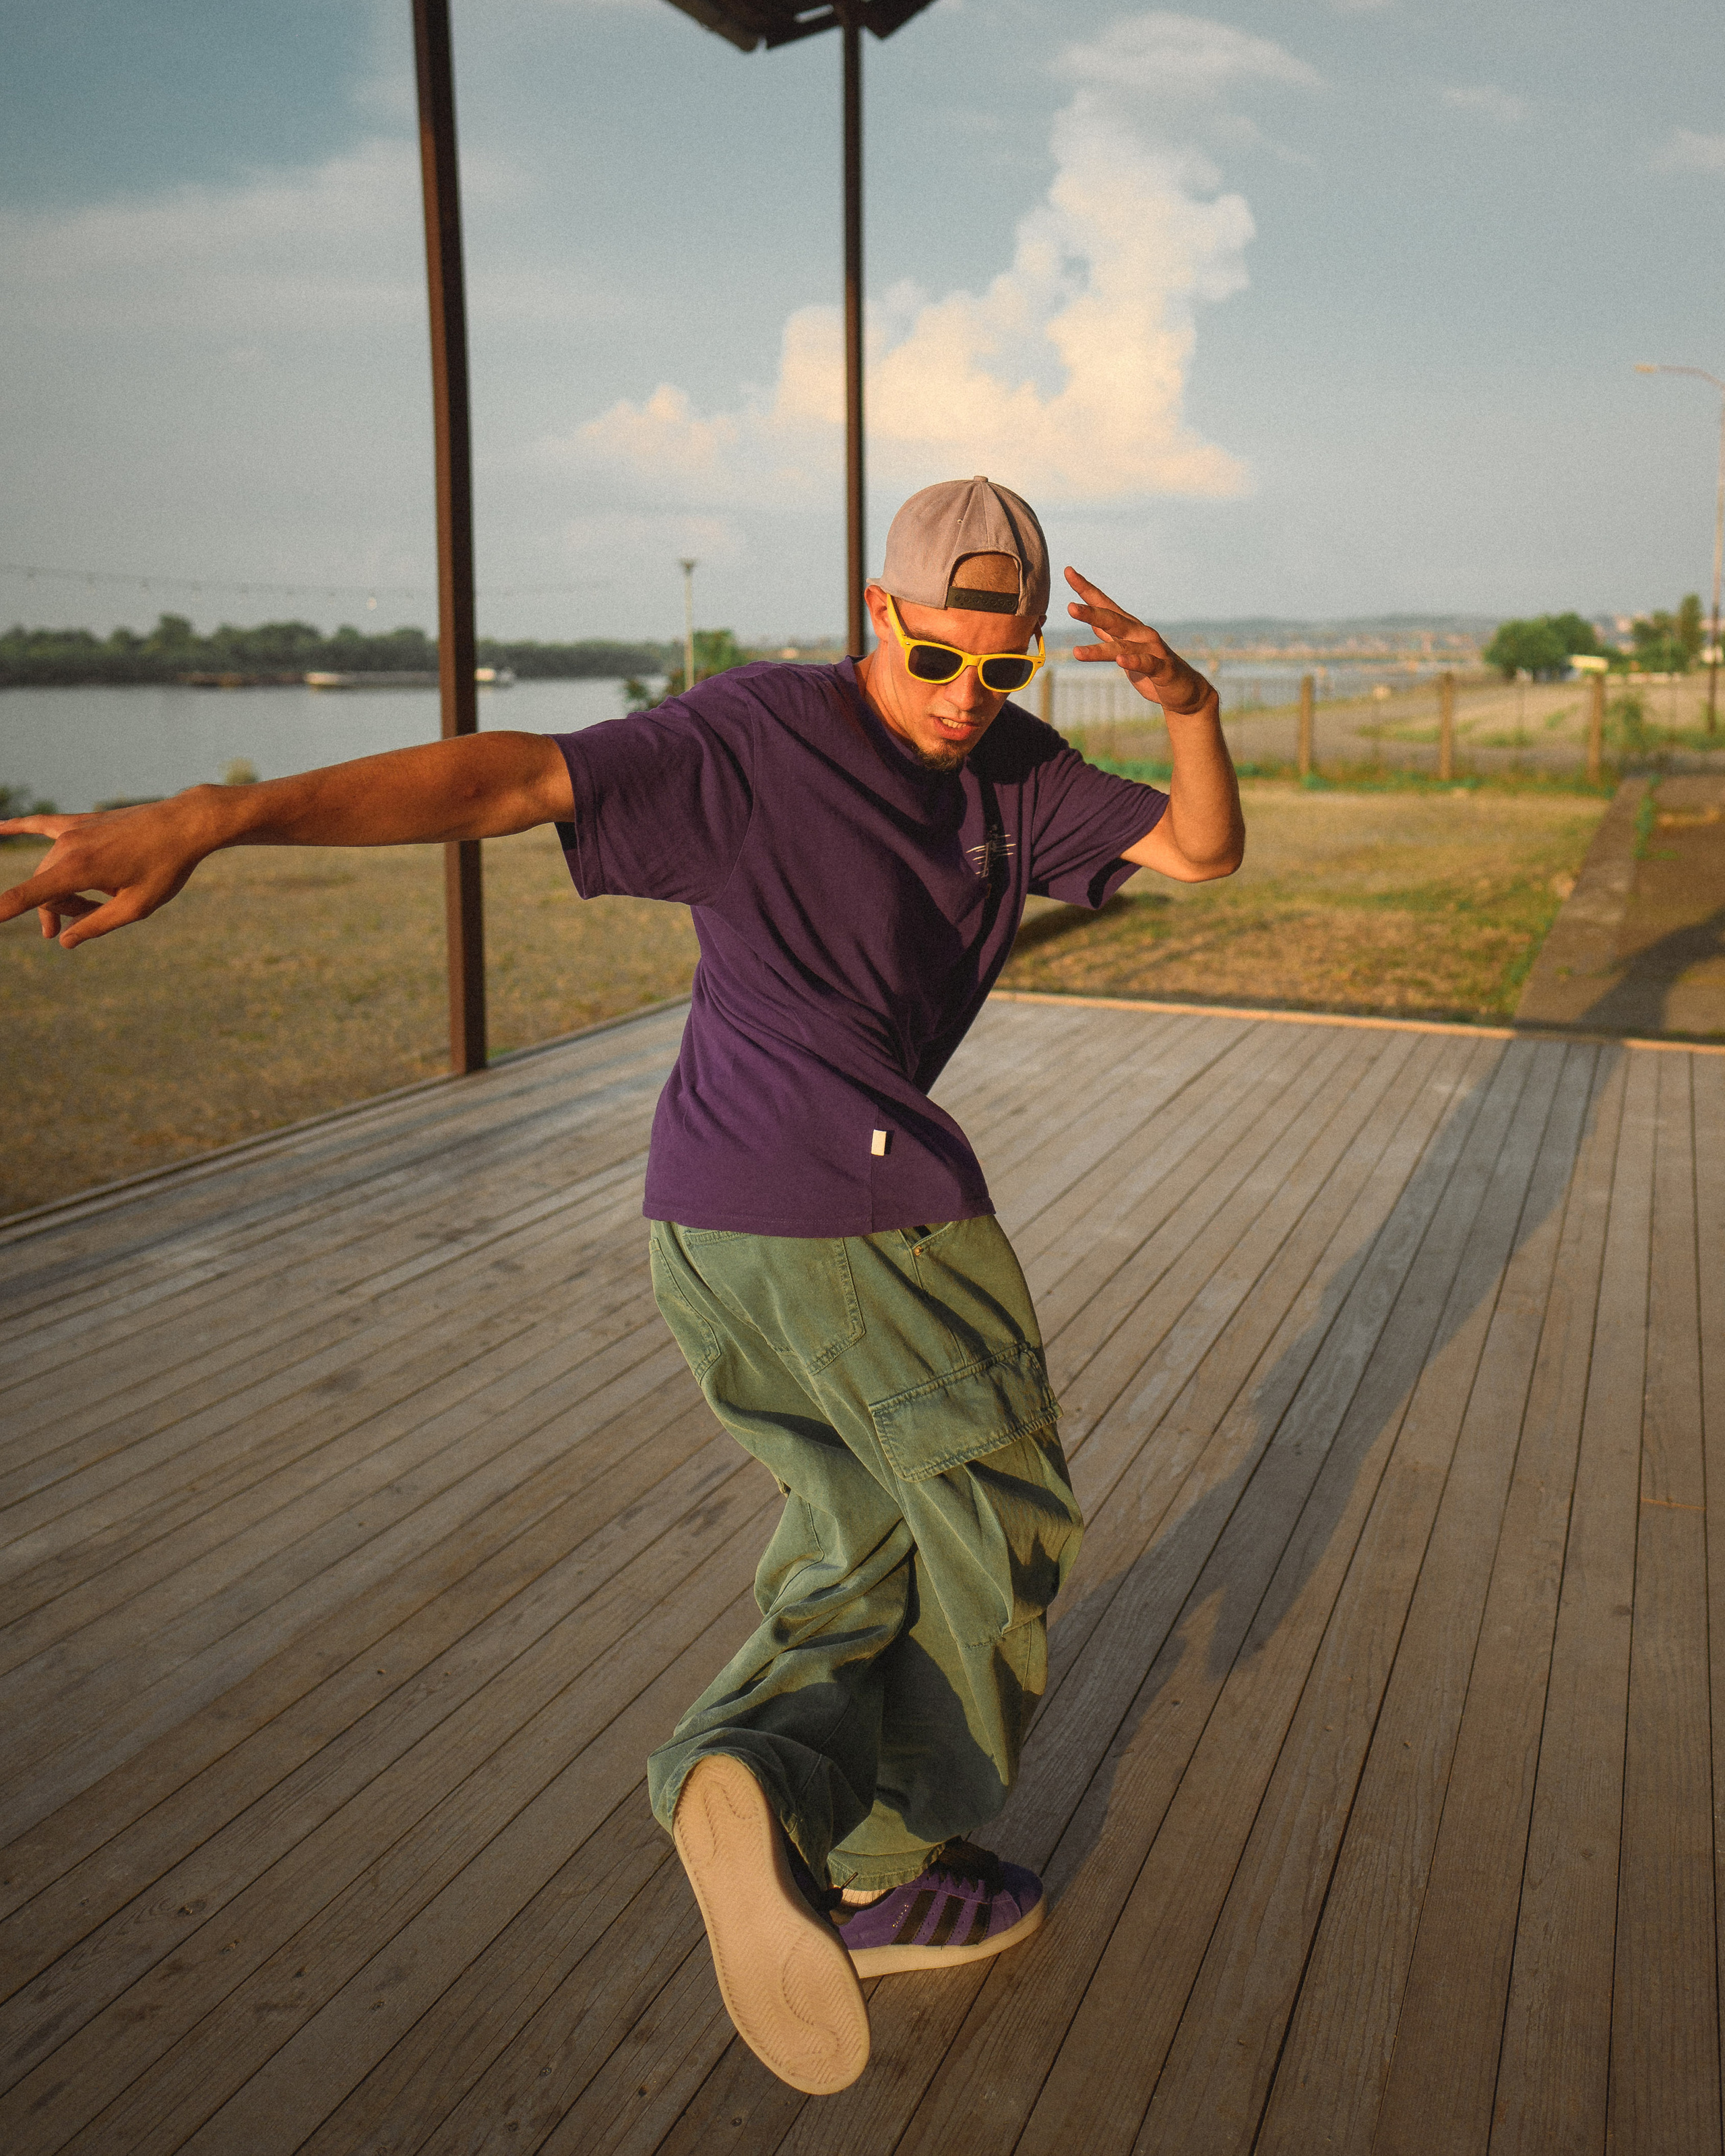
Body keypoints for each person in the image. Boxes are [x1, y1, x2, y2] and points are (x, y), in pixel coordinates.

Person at [0, 476, 1243, 2097]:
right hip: (858, 1210)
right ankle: (880, 1855)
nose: (960, 703)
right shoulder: (753, 737)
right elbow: (514, 775)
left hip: (710, 1221)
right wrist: (213, 817)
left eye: (1000, 673)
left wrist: (1190, 708)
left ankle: (750, 1768)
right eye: (936, 660)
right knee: (1001, 1518)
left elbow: (1199, 852)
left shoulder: (1010, 768)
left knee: (861, 1528)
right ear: (877, 616)